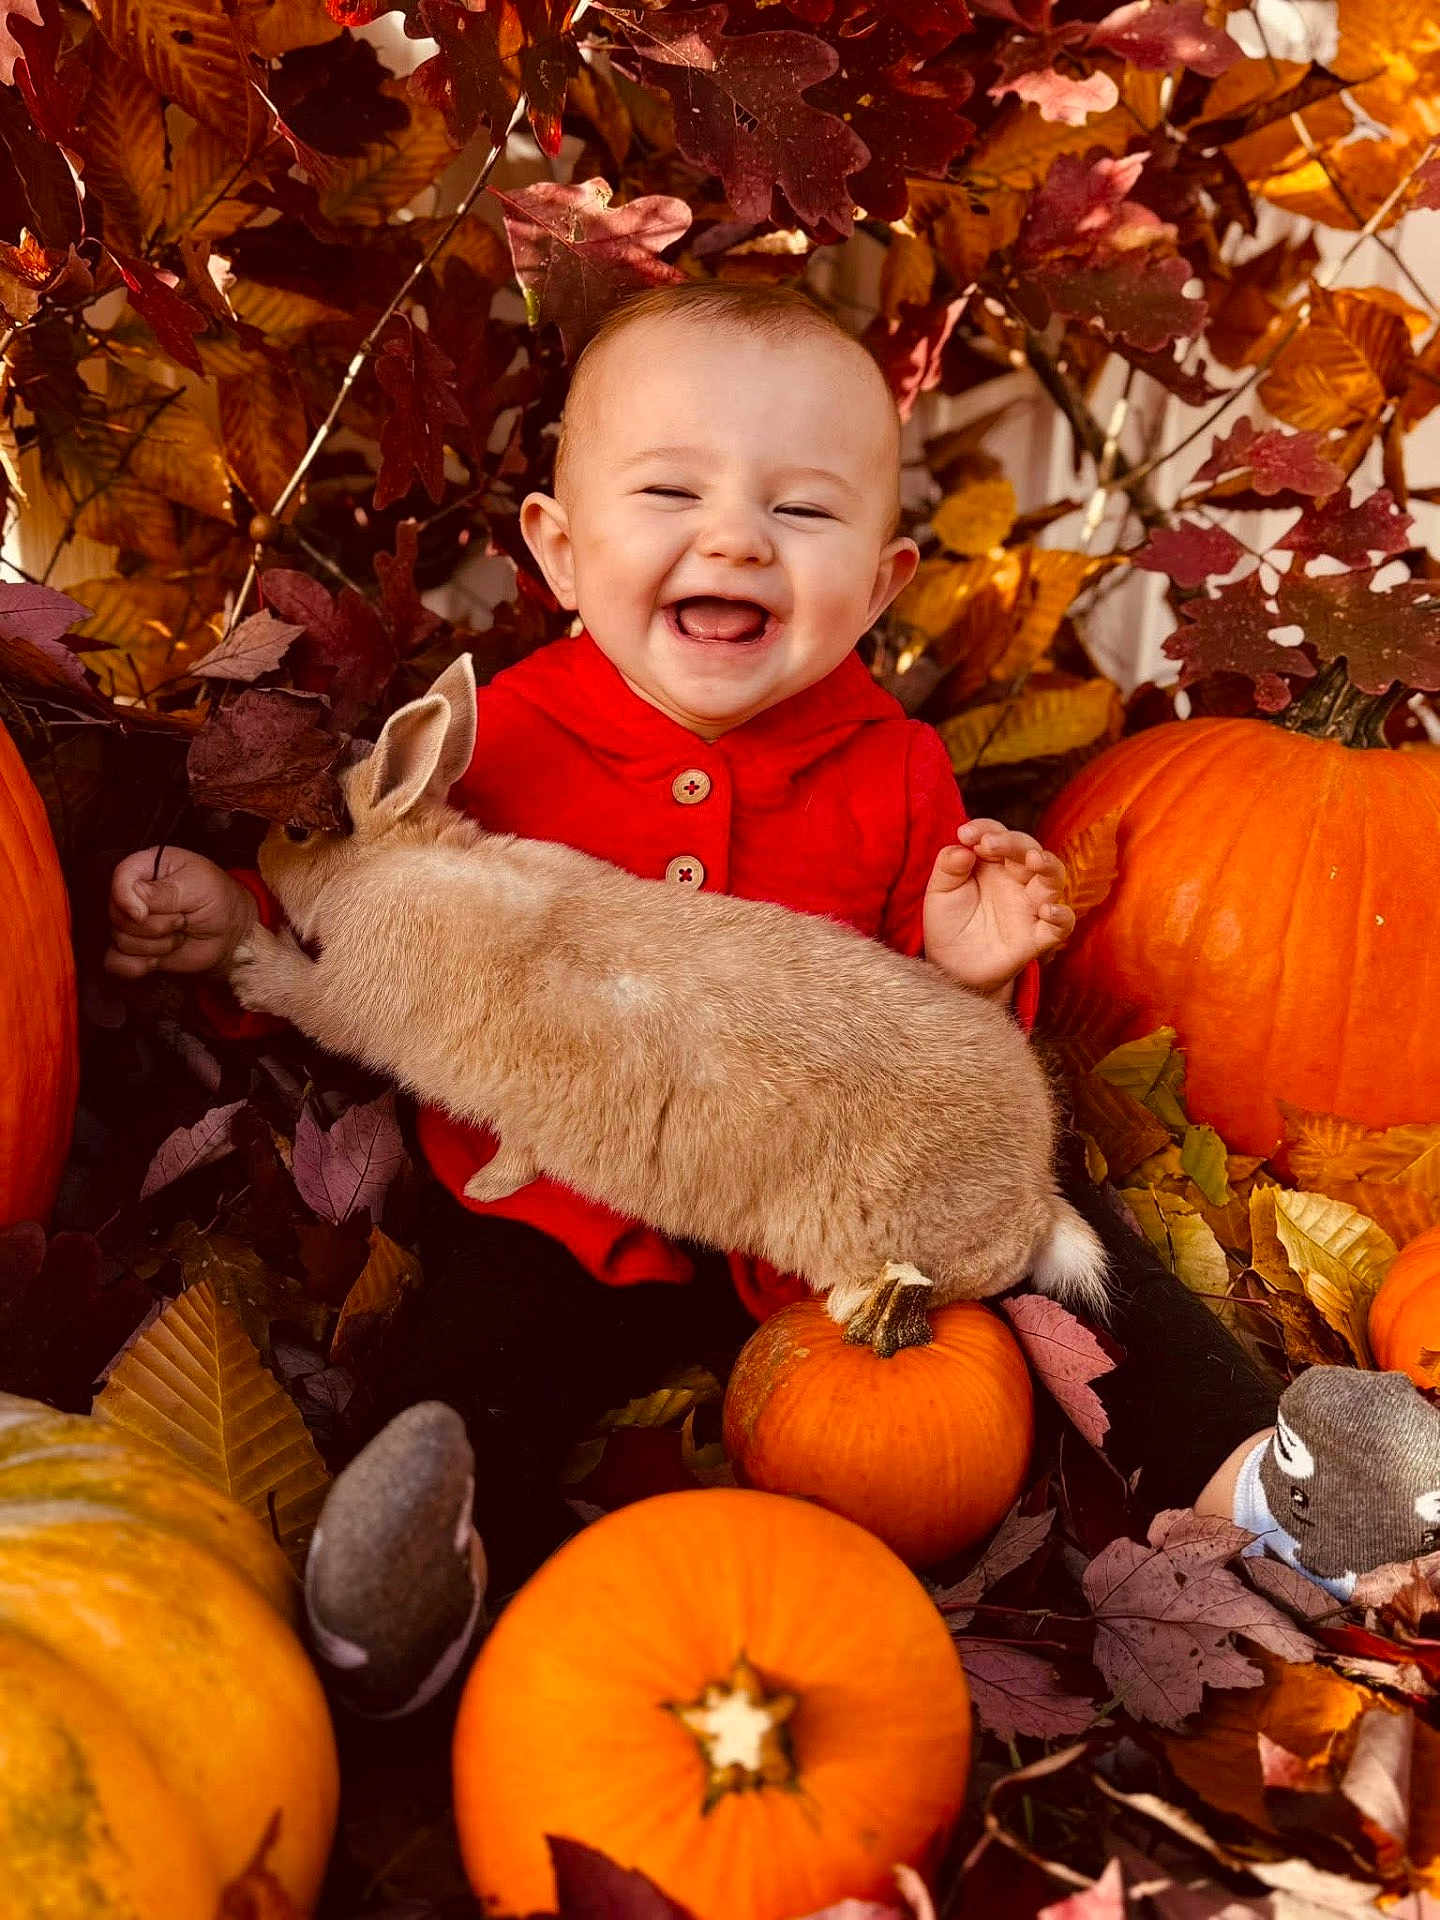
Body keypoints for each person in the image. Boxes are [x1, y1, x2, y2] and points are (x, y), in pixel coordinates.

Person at [106, 282, 1440, 1717]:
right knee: (476, 1340)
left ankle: (1269, 1481)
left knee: (1069, 1240)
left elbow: (925, 1062)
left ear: (877, 583)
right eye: (672, 489)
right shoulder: (497, 737)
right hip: (573, 1205)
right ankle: (429, 1584)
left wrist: (970, 967)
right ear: (558, 549)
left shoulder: (895, 768)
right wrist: (219, 938)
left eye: (801, 514)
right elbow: (362, 940)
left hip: (827, 1222)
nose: (735, 536)